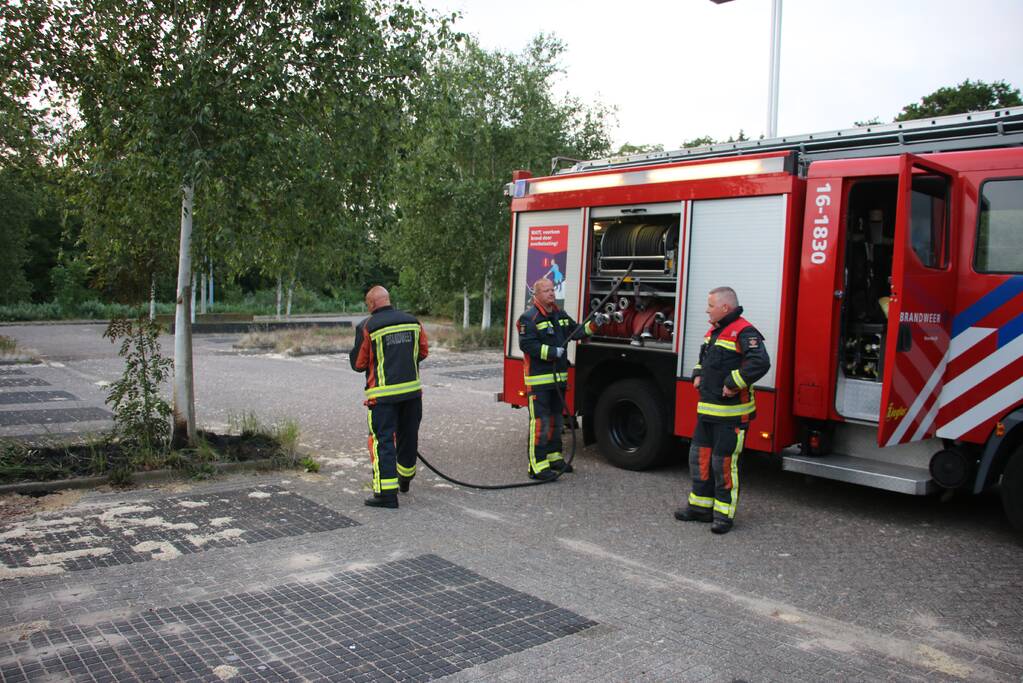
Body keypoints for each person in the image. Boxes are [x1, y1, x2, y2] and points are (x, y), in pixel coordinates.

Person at [674, 286, 770, 534]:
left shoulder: (745, 332)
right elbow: (704, 358)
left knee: (723, 465)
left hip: (731, 417)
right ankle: (699, 508)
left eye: (710, 305)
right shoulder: (714, 332)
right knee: (699, 460)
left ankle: (723, 515)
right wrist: (697, 373)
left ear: (725, 308)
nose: (706, 310)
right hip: (707, 412)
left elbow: (760, 362)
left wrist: (733, 383)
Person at [517, 278, 605, 480]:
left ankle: (554, 458)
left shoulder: (560, 315)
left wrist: (595, 324)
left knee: (556, 421)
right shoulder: (528, 319)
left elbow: (577, 332)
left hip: (558, 381)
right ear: (536, 295)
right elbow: (528, 346)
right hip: (539, 382)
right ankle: (536, 466)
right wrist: (551, 352)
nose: (551, 293)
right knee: (540, 423)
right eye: (546, 291)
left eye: (552, 290)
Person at [350, 285, 428, 508]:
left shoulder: (367, 326)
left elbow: (358, 364)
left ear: (372, 304)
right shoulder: (413, 321)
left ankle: (386, 494)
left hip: (382, 397)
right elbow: (423, 352)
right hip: (412, 393)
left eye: (367, 304)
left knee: (382, 441)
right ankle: (404, 480)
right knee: (408, 437)